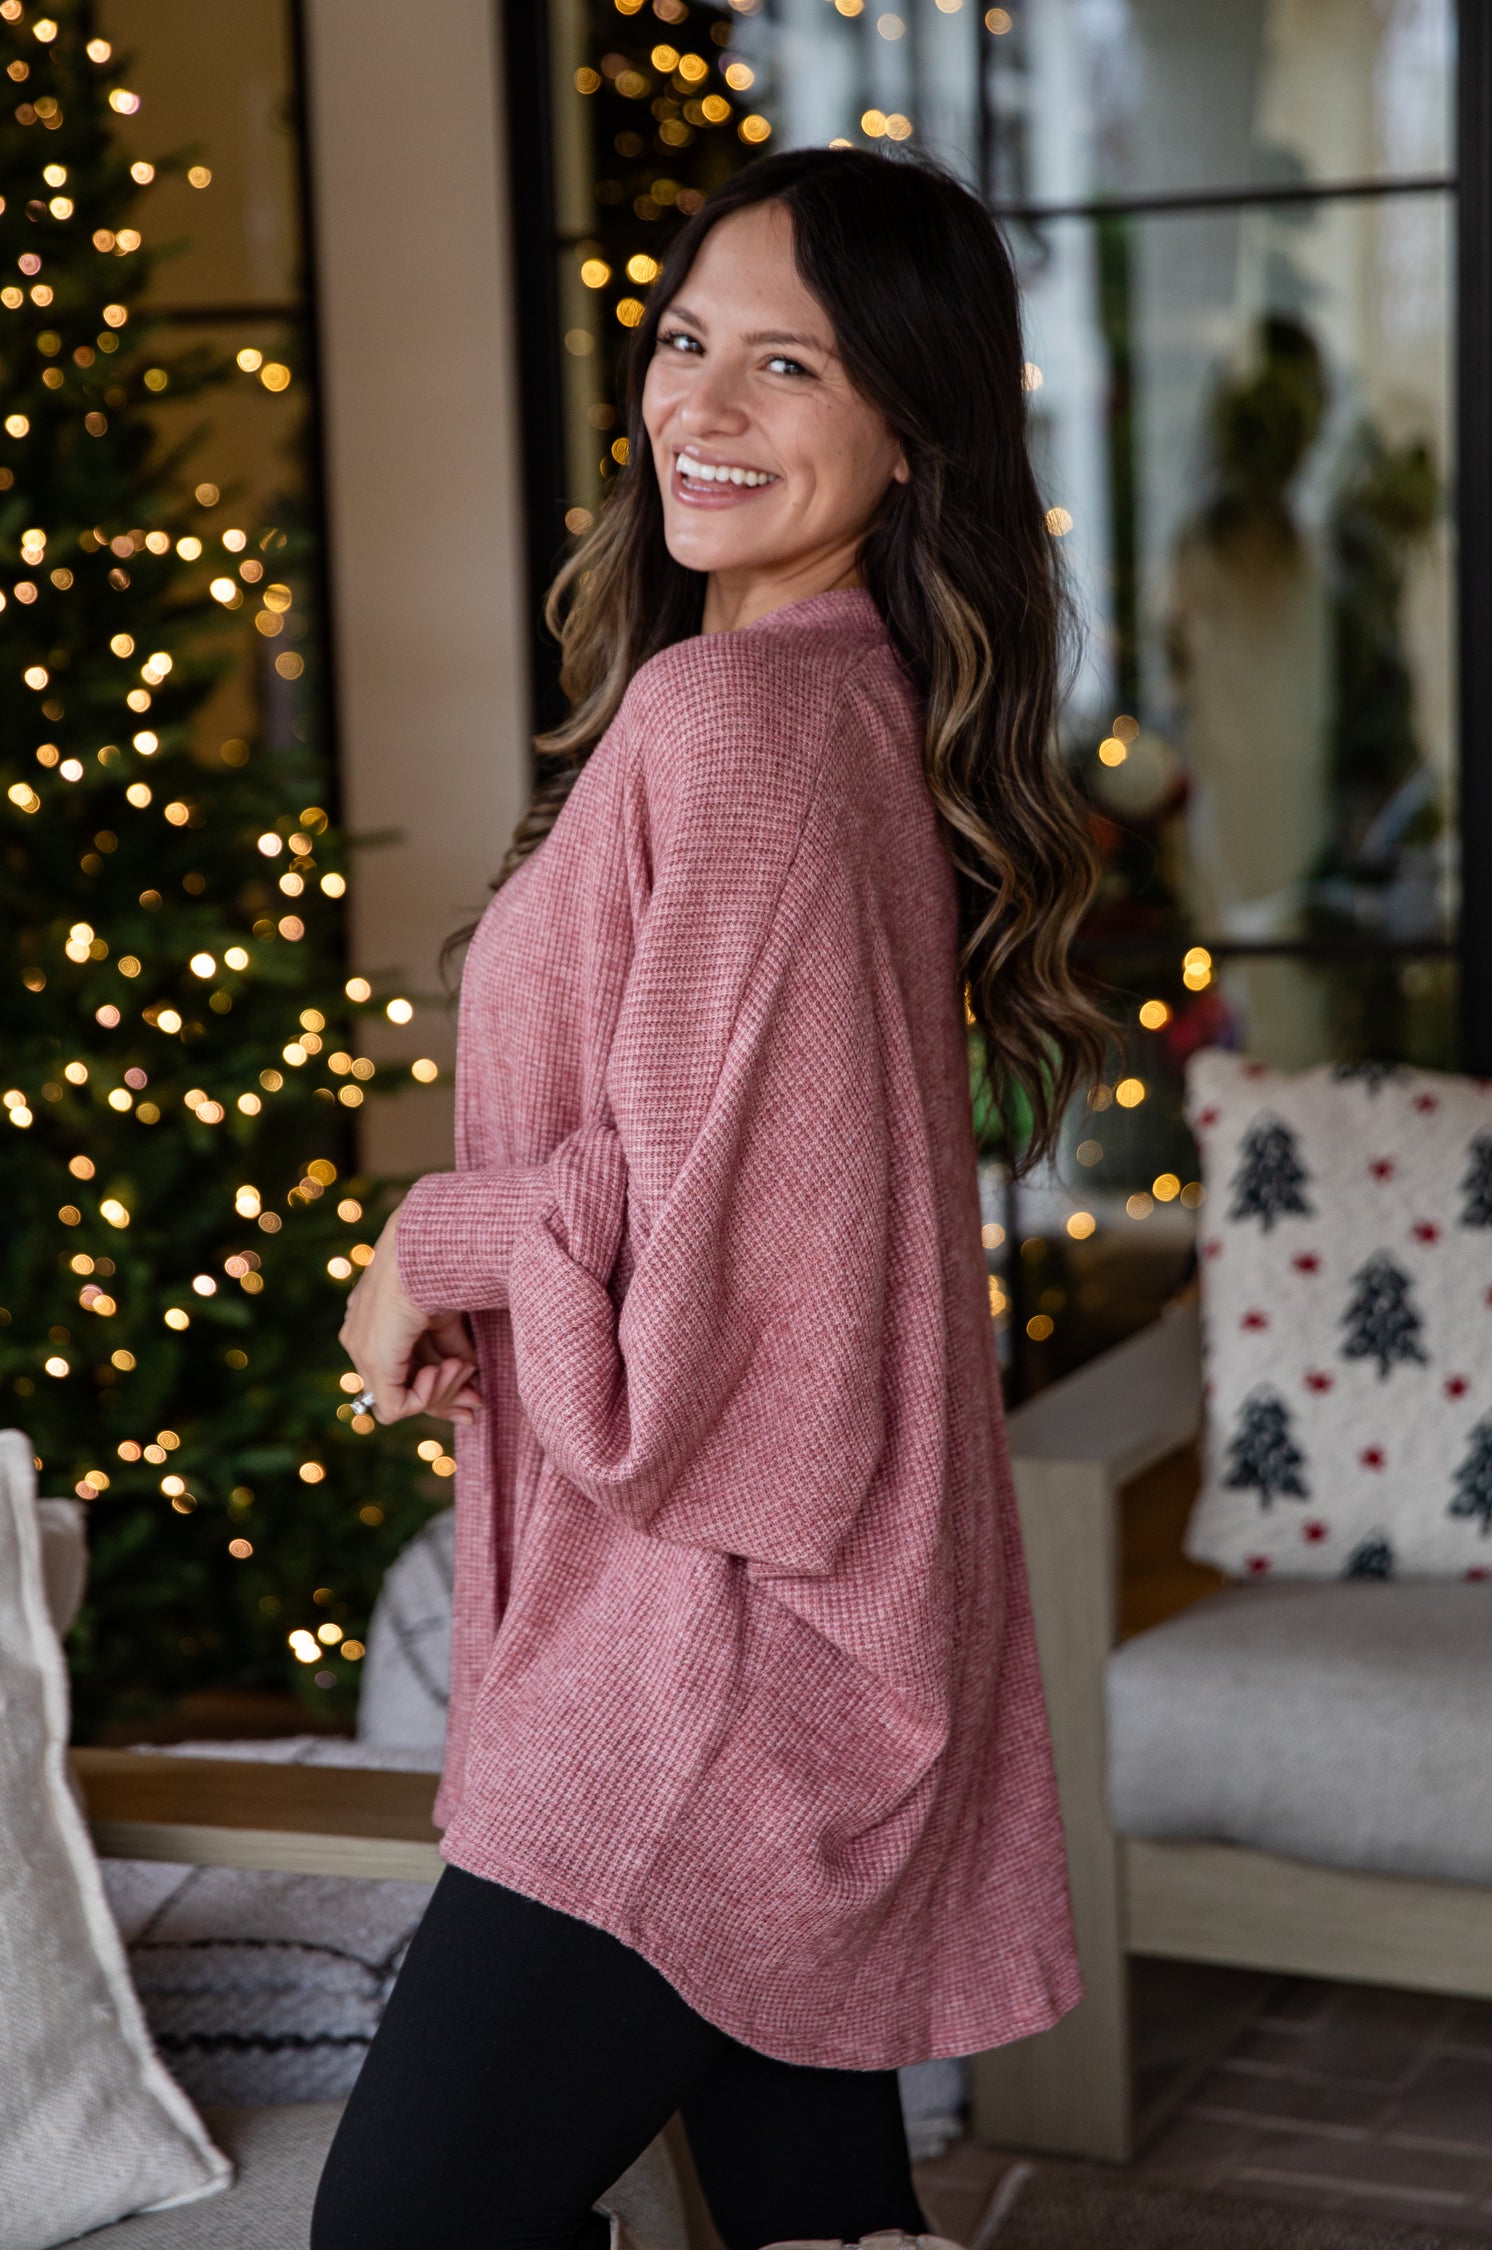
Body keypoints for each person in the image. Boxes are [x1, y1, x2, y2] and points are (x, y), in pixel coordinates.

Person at [314, 146, 1104, 2250]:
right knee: (811, 2214)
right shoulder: (838, 707)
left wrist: (432, 1243)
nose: (702, 408)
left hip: (711, 1649)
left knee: (404, 2228)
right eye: (683, 346)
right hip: (789, 1615)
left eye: (789, 368)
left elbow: (725, 1271)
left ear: (910, 430)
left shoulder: (741, 725)